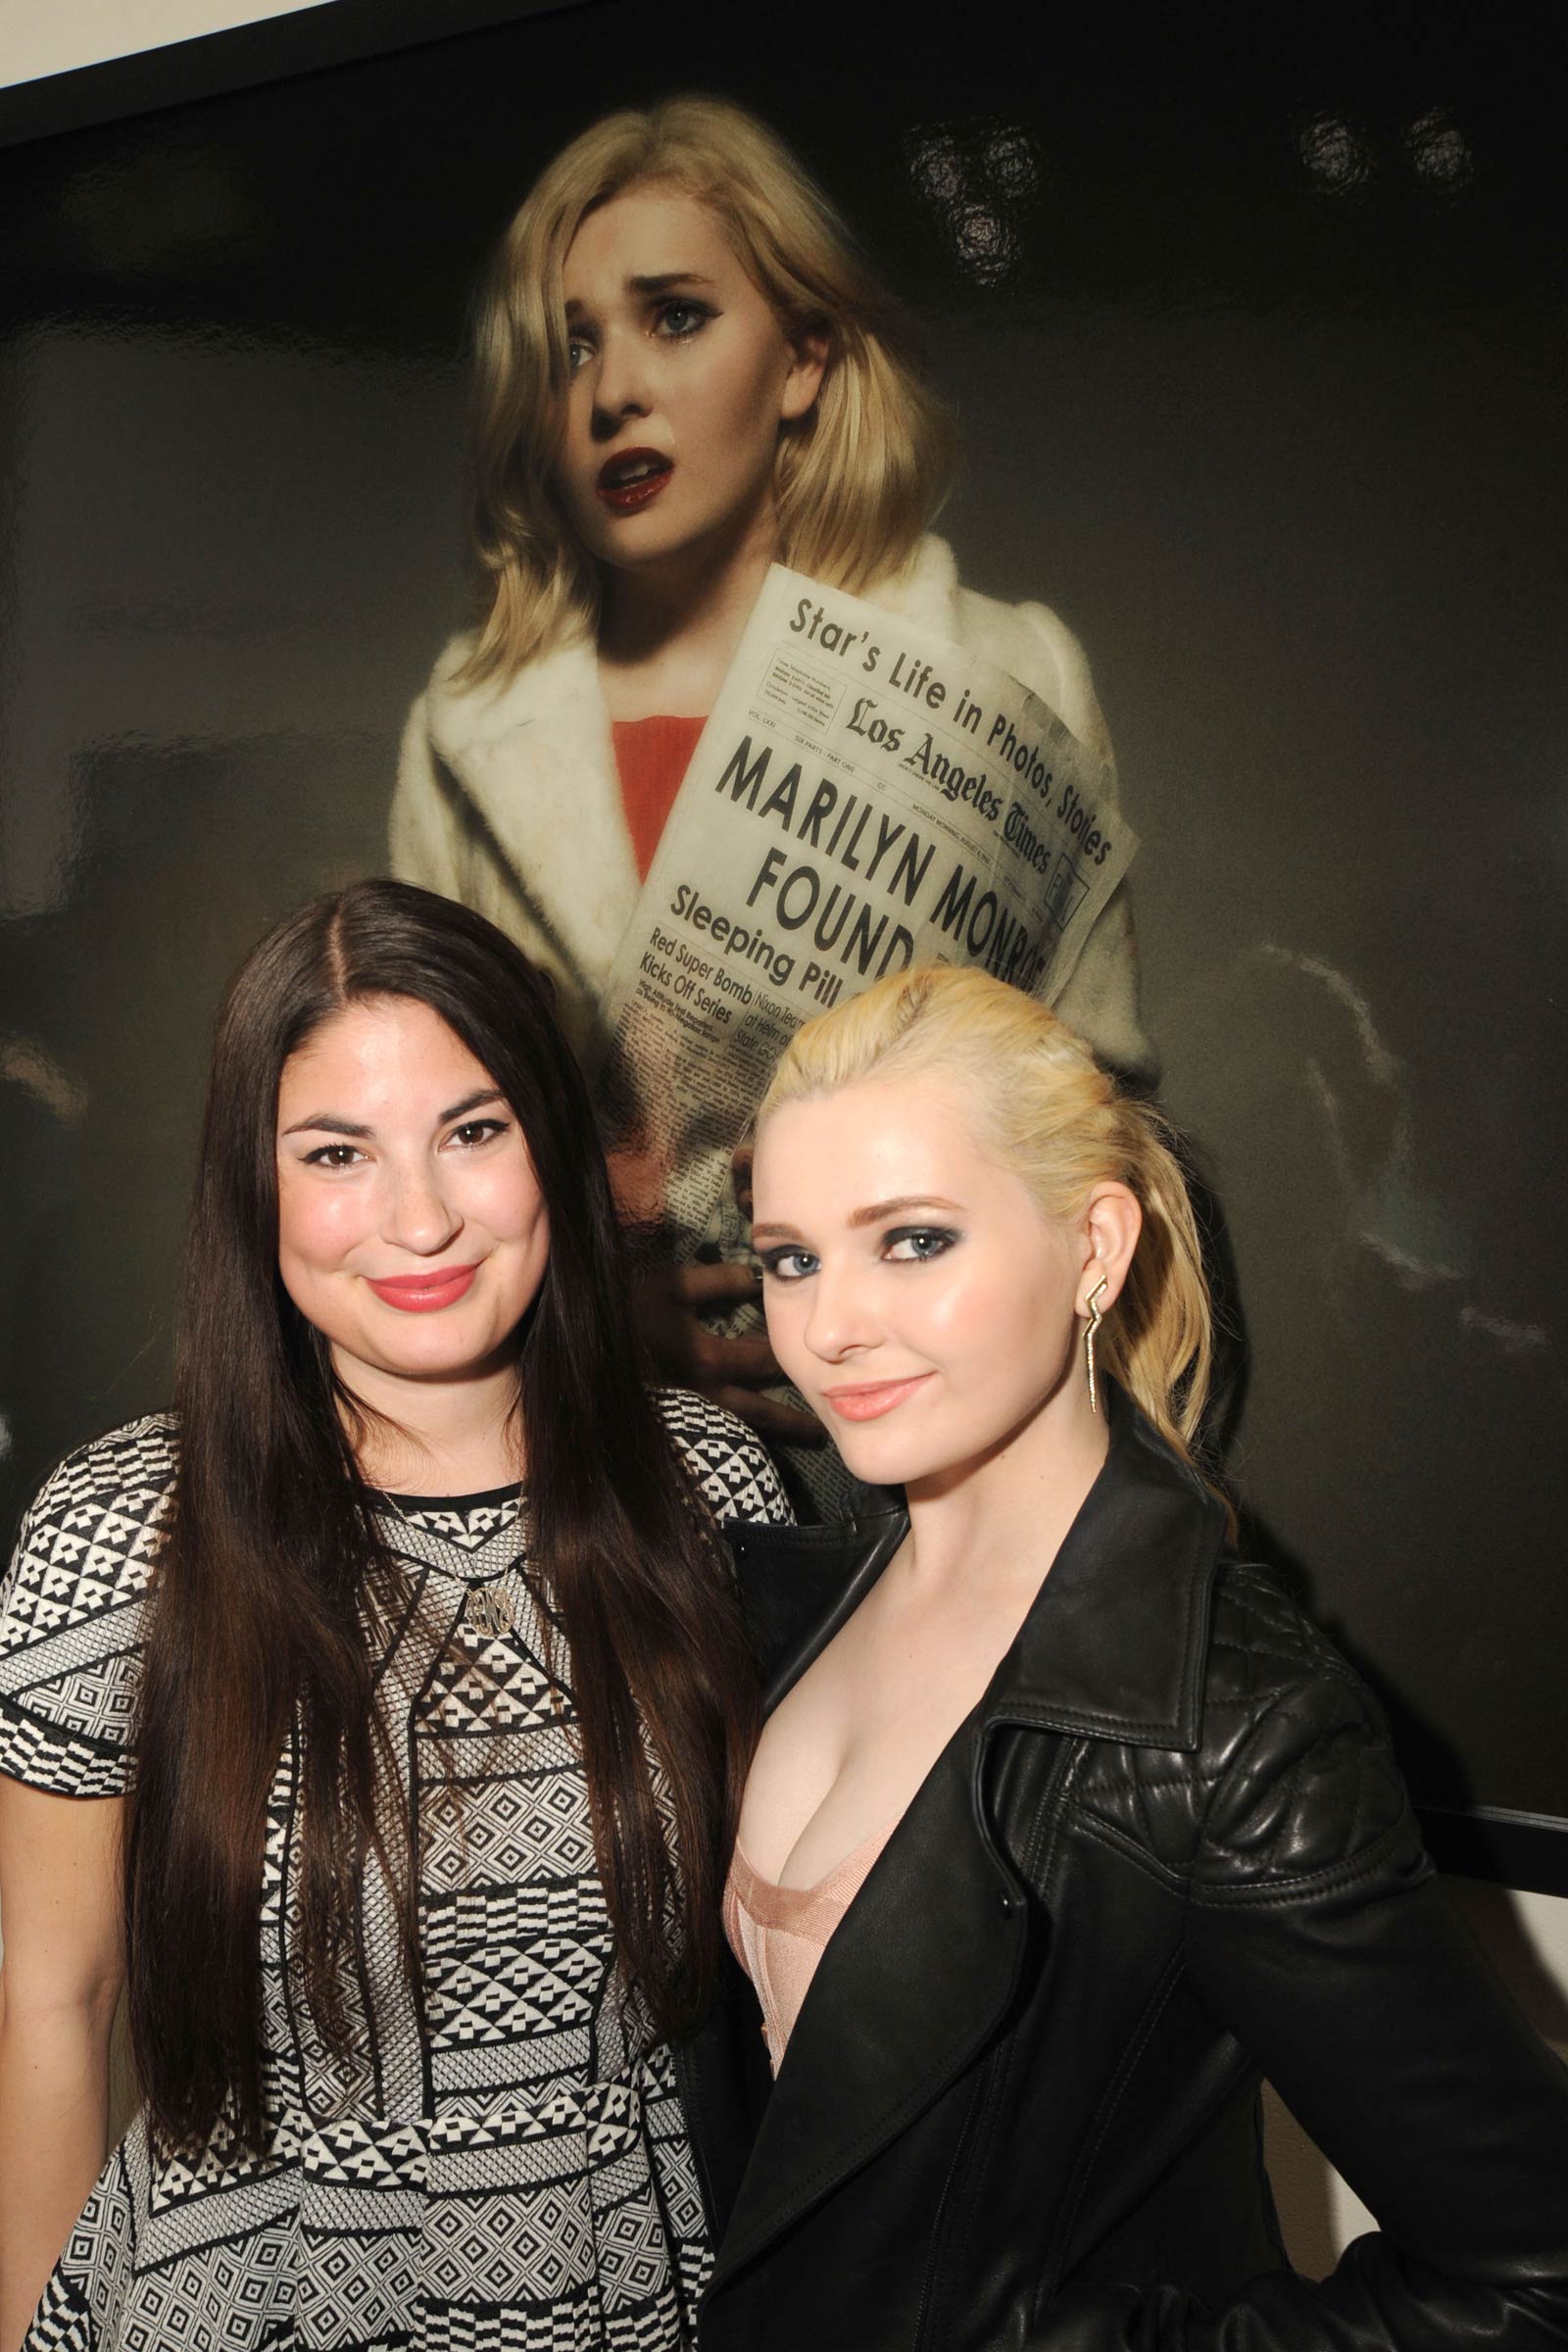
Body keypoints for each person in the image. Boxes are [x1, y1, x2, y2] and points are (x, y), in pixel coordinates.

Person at [683, 964, 1568, 2349]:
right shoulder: (792, 1601)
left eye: (911, 1239)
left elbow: (1532, 2277)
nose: (829, 1325)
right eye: (793, 1256)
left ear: (1096, 1247)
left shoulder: (1233, 1721)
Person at [0, 879, 791, 2352]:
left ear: (551, 1145)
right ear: (258, 1185)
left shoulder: (714, 1496)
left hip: (638, 2297)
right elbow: (51, 2000)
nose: (419, 1216)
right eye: (337, 1153)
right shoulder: (120, 1535)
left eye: (473, 1131)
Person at [390, 95, 1154, 1462]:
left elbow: (1105, 1122)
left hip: (933, 1459)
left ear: (803, 359)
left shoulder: (1005, 671)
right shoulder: (462, 734)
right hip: (602, 1465)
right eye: (570, 349)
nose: (613, 386)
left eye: (674, 316)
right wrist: (595, 1309)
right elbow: (426, 1152)